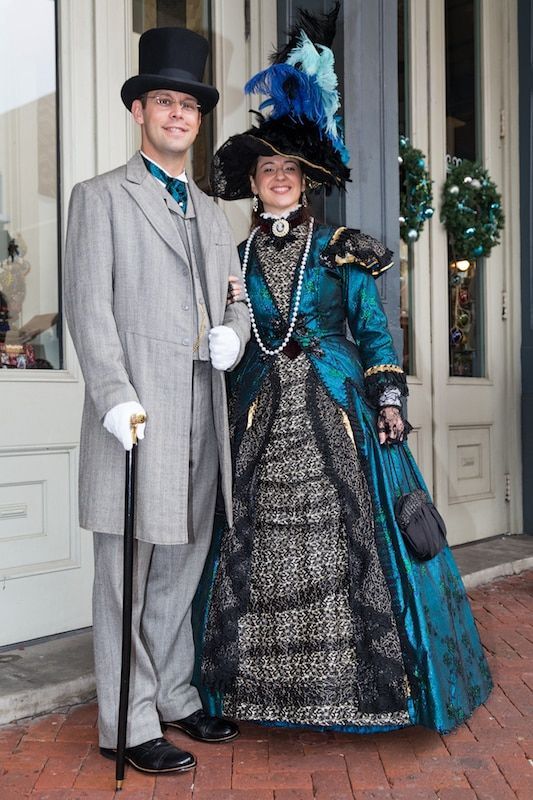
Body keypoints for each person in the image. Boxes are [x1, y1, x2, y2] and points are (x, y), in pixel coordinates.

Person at [197, 5, 492, 734]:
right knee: (257, 544)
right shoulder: (232, 259)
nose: (277, 180)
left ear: (307, 180)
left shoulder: (341, 250)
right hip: (261, 410)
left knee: (349, 540)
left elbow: (371, 329)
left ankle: (362, 691)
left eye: (288, 171)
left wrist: (387, 398)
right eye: (266, 170)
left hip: (334, 408)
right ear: (254, 182)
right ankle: (259, 692)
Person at [64, 27, 249, 775]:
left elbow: (236, 300)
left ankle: (172, 693)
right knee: (128, 576)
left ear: (199, 122)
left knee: (180, 567)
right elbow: (87, 308)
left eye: (189, 106)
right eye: (165, 101)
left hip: (202, 420)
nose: (178, 114)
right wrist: (111, 394)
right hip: (136, 422)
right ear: (140, 111)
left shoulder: (212, 213)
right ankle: (126, 719)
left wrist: (234, 336)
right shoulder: (101, 198)